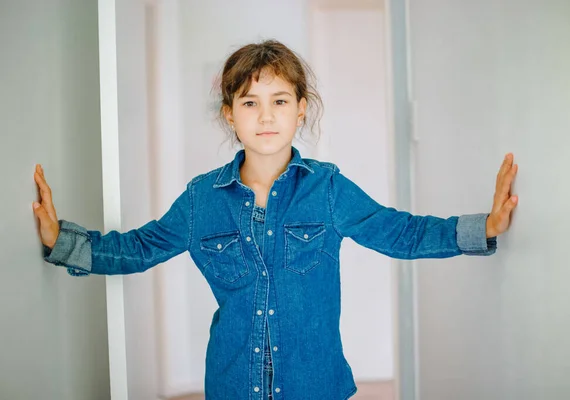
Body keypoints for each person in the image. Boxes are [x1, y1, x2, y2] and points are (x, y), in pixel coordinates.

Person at [33, 39, 518, 400]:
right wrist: (62, 241)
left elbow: (401, 232)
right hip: (232, 384)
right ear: (230, 115)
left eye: (279, 101)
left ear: (300, 109)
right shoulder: (203, 199)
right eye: (249, 102)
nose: (265, 116)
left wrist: (484, 228)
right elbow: (140, 247)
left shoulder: (327, 189)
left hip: (316, 384)